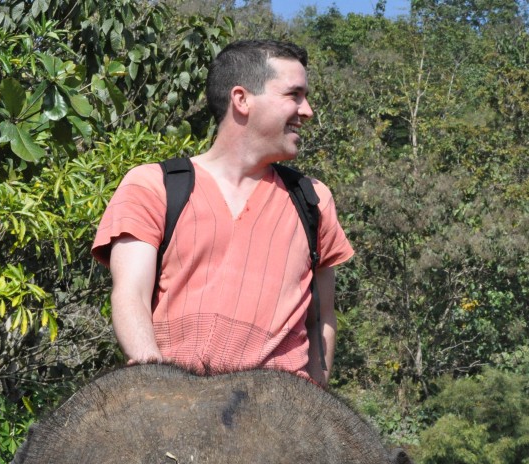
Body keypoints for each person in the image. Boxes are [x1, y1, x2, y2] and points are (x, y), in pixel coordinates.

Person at [92, 40, 353, 386]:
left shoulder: (313, 201)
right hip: (176, 403)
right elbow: (131, 295)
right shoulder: (153, 185)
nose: (307, 110)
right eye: (294, 95)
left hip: (279, 416)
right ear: (241, 99)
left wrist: (313, 407)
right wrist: (159, 391)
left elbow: (322, 319)